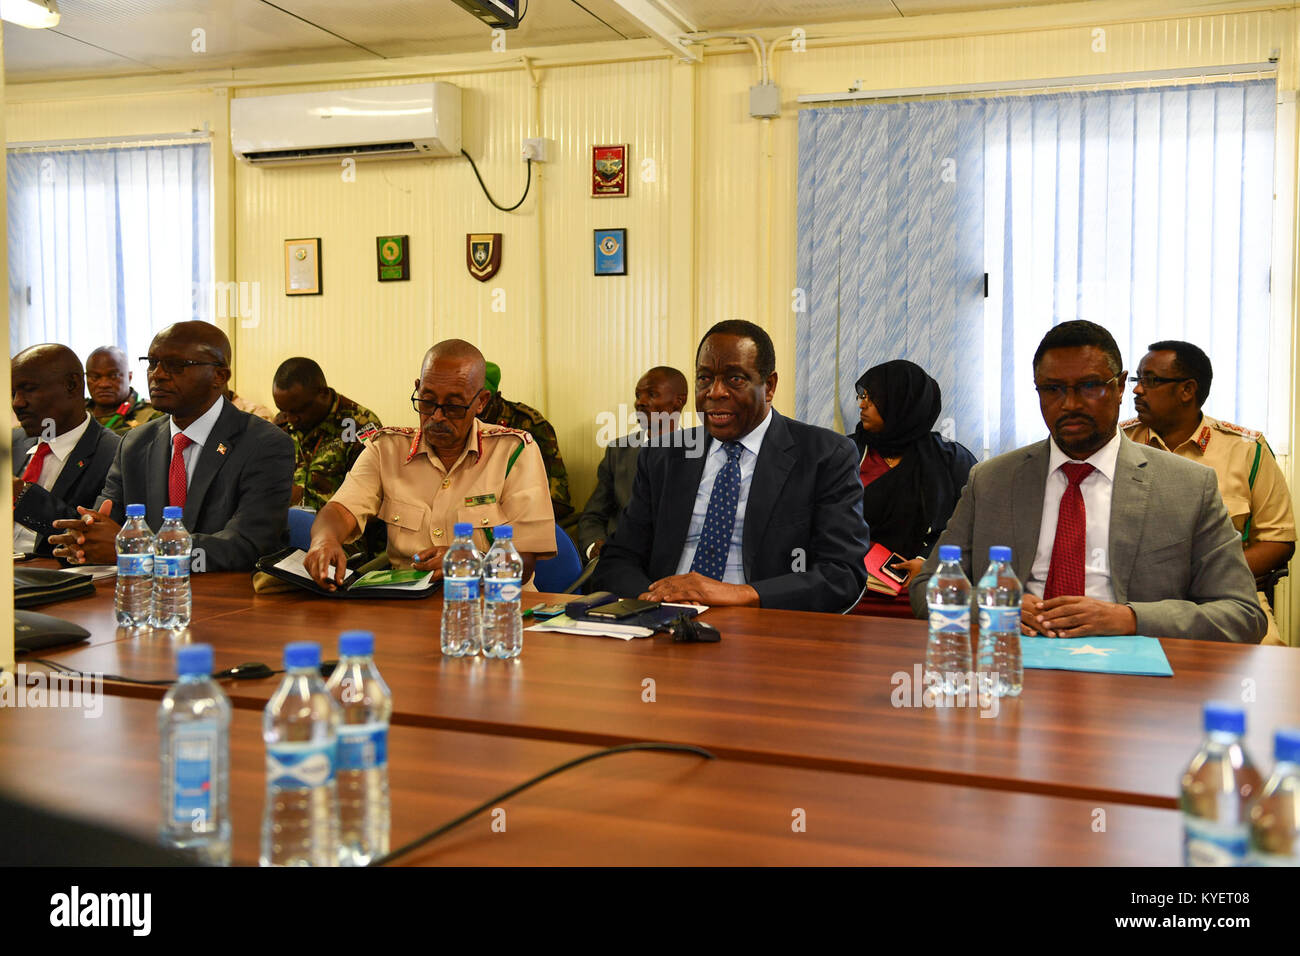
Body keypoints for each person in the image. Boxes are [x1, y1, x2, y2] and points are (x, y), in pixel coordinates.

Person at [908, 320, 1266, 643]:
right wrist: (994, 607)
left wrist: (1129, 618)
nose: (1069, 404)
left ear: (1122, 386)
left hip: (1134, 671)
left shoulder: (1188, 486)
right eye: (1052, 389)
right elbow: (926, 589)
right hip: (1014, 660)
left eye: (1090, 386)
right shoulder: (992, 480)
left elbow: (1241, 614)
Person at [591, 320, 871, 613]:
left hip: (763, 626)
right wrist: (657, 601)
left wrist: (740, 594)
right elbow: (618, 558)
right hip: (664, 621)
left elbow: (842, 574)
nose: (715, 392)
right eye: (704, 378)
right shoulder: (663, 455)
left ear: (770, 386)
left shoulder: (824, 455)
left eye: (735, 379)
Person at [304, 339, 556, 589]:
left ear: (481, 402)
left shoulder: (514, 451)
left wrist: (468, 562)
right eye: (427, 401)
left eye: (454, 406)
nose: (437, 416)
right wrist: (324, 540)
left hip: (492, 605)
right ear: (418, 387)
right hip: (407, 610)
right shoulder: (386, 449)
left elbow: (523, 562)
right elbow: (339, 510)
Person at [48, 321, 294, 572]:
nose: (158, 375)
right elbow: (105, 522)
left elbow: (249, 546)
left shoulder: (265, 444)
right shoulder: (134, 444)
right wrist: (84, 538)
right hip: (143, 595)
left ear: (219, 376)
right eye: (152, 363)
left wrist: (138, 548)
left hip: (231, 599)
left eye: (176, 366)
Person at [1123, 340, 1295, 646]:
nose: (1137, 390)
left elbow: (1277, 540)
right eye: (1138, 380)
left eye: (1151, 381)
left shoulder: (1245, 449)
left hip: (1226, 596)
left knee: (1269, 658)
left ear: (1187, 390)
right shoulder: (1119, 444)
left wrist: (1213, 577)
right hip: (1136, 599)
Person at [851, 360, 976, 585]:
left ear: (902, 403)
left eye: (873, 398)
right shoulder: (845, 453)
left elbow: (969, 525)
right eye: (863, 395)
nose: (862, 404)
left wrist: (929, 562)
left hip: (929, 587)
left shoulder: (951, 460)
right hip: (854, 584)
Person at [11, 344, 121, 556]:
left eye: (29, 389)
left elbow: (93, 536)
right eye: (13, 392)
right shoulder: (12, 441)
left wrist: (21, 495)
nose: (17, 403)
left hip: (51, 575)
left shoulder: (114, 453)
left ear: (72, 385)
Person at [577, 366, 688, 562]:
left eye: (652, 395)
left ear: (679, 401)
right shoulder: (618, 451)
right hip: (621, 560)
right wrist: (595, 546)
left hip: (676, 565)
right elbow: (593, 516)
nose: (640, 402)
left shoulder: (700, 452)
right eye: (638, 395)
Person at [271, 357, 382, 511]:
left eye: (298, 410)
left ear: (322, 393)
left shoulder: (360, 425)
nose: (290, 419)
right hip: (287, 526)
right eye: (284, 410)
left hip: (338, 529)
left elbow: (369, 495)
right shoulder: (282, 423)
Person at [478, 361, 573, 521]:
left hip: (520, 518)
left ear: (496, 397)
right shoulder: (458, 423)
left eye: (483, 401)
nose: (476, 408)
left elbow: (558, 498)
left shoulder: (529, 425)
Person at [84, 346, 163, 434]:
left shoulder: (153, 415)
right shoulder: (76, 413)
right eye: (95, 377)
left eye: (114, 376)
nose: (104, 384)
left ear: (129, 377)